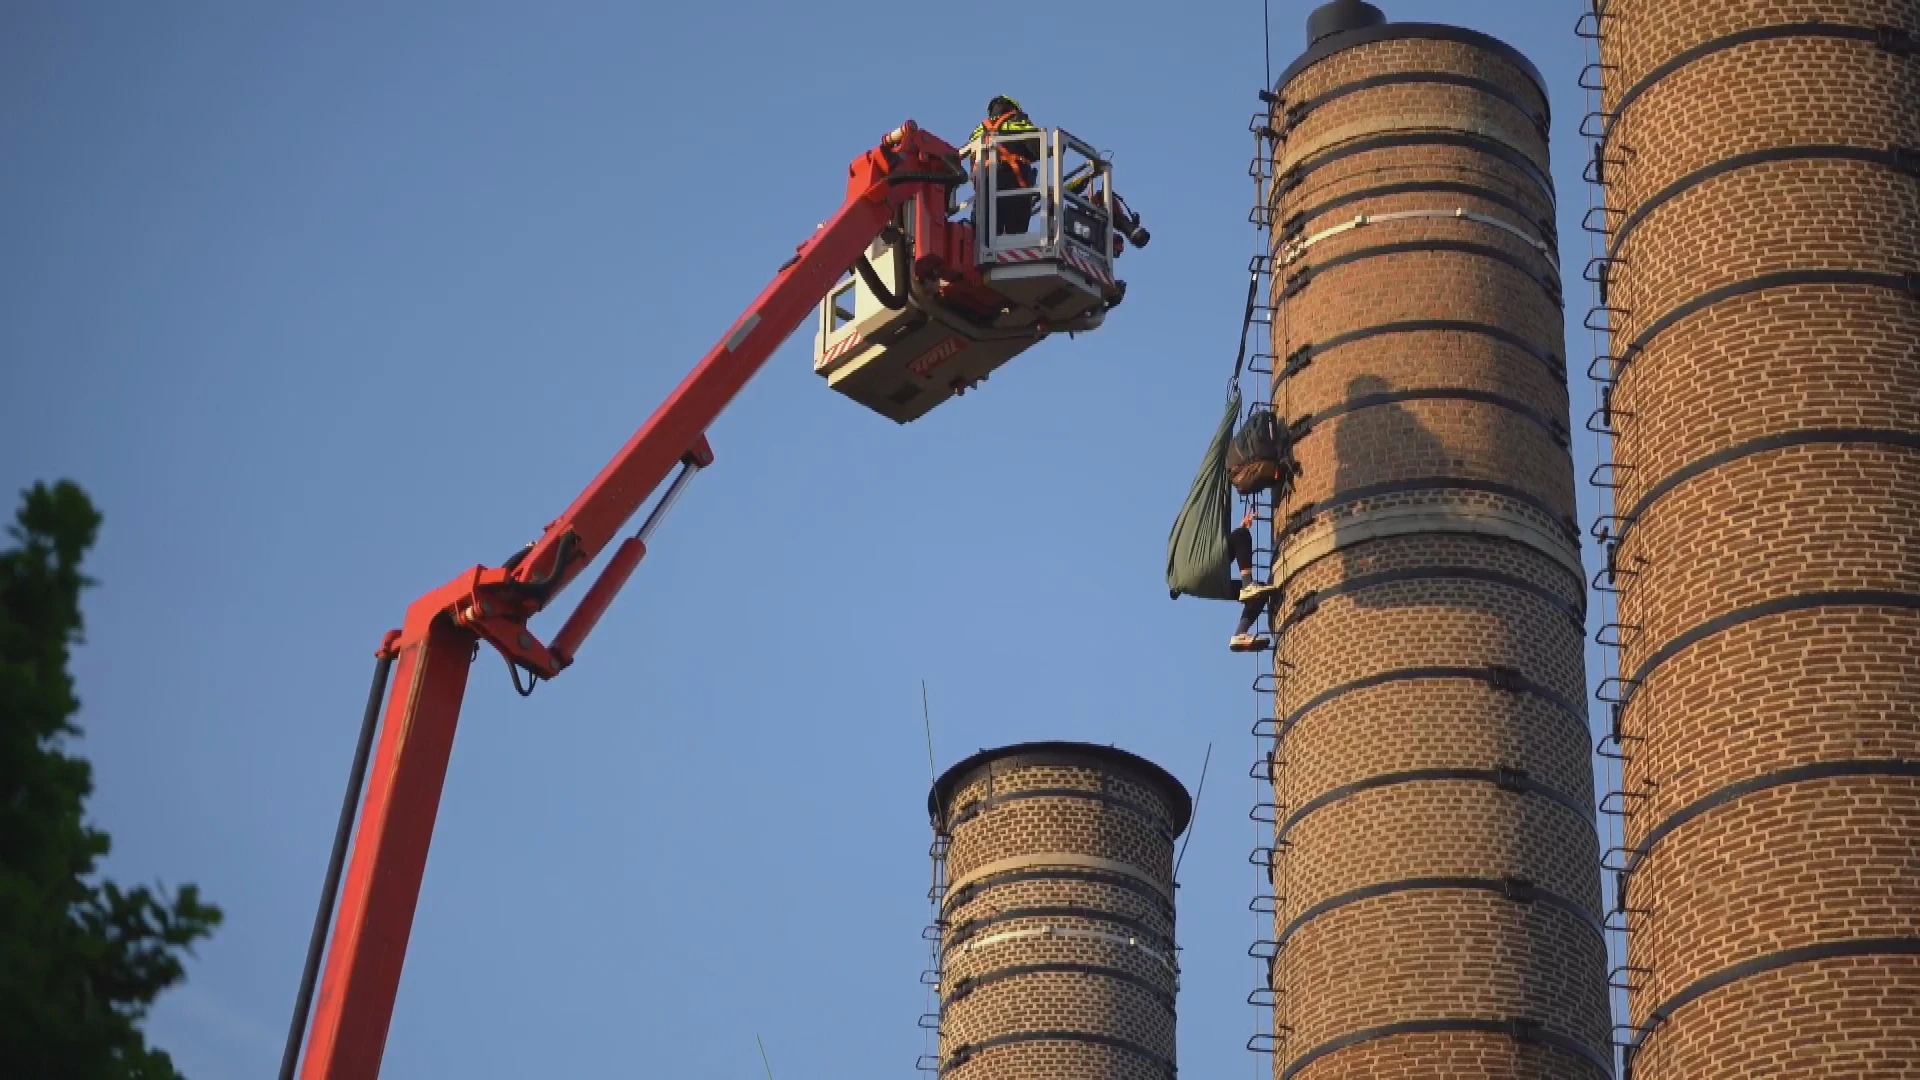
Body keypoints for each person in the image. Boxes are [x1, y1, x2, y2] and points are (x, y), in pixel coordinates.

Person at [971, 95, 1041, 235]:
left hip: (985, 187)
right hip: (1014, 185)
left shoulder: (979, 130)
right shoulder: (1018, 120)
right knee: (1015, 235)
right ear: (1013, 108)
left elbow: (973, 162)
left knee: (986, 236)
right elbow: (1037, 148)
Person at [1229, 506, 1282, 652]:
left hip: (1211, 583)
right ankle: (1248, 585)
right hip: (1206, 574)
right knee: (1241, 535)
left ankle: (1240, 634)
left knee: (1260, 592)